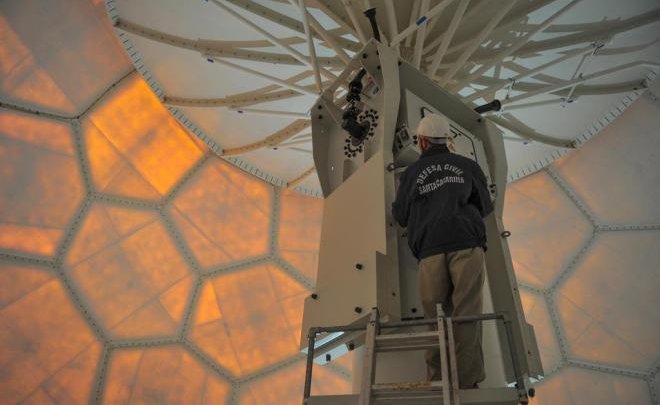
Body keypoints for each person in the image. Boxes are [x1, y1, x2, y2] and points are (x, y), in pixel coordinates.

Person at [391, 113, 494, 389]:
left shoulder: (412, 173)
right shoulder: (468, 165)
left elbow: (400, 215)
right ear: (447, 139)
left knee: (434, 318)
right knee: (467, 313)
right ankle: (467, 382)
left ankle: (437, 380)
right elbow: (486, 206)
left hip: (430, 251)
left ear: (422, 141)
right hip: (467, 246)